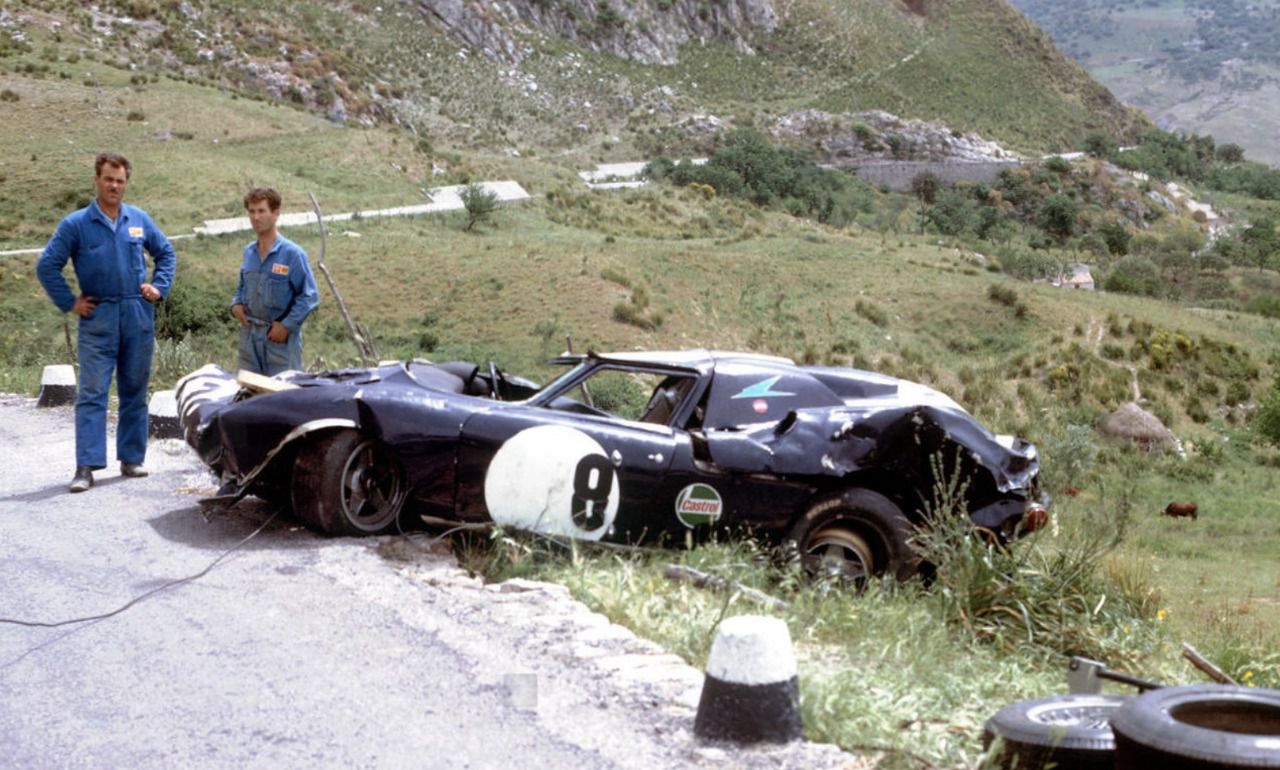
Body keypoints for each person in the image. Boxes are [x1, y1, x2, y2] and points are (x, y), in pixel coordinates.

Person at [37, 152, 176, 493]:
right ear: (96, 180)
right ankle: (86, 466)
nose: (114, 185)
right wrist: (71, 302)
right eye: (108, 179)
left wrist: (158, 287)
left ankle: (131, 458)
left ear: (126, 183)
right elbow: (47, 266)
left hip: (136, 314)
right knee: (92, 392)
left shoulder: (138, 219)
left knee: (134, 389)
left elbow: (166, 253)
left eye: (120, 180)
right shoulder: (76, 224)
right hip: (97, 316)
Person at [231, 187, 319, 376]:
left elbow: (309, 296)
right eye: (252, 212)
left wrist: (286, 326)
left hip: (279, 342)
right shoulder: (249, 252)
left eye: (262, 211)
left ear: (275, 214)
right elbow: (242, 285)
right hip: (249, 339)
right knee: (249, 396)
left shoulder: (292, 255)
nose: (256, 217)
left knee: (283, 398)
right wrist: (236, 304)